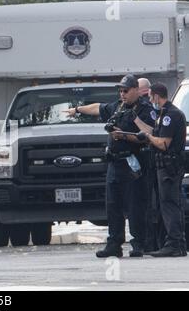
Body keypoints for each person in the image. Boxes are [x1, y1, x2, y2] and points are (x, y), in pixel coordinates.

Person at [64, 74, 155, 258]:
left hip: (133, 163)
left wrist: (123, 136)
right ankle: (114, 244)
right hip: (115, 163)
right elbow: (98, 107)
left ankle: (138, 244)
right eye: (120, 90)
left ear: (136, 90)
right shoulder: (118, 106)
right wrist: (77, 109)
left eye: (126, 90)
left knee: (135, 205)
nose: (122, 94)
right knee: (113, 205)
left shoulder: (145, 109)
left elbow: (148, 134)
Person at [143, 83, 187, 257]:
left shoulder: (171, 115)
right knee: (170, 204)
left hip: (169, 168)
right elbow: (156, 134)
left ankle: (174, 244)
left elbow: (163, 143)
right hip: (166, 167)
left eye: (150, 97)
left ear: (156, 96)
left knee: (169, 205)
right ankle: (177, 243)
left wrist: (148, 138)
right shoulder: (164, 114)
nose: (149, 100)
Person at [136, 78, 165, 252]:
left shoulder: (152, 109)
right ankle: (150, 241)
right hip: (146, 162)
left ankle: (155, 242)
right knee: (147, 204)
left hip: (155, 162)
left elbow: (153, 132)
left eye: (146, 94)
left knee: (156, 205)